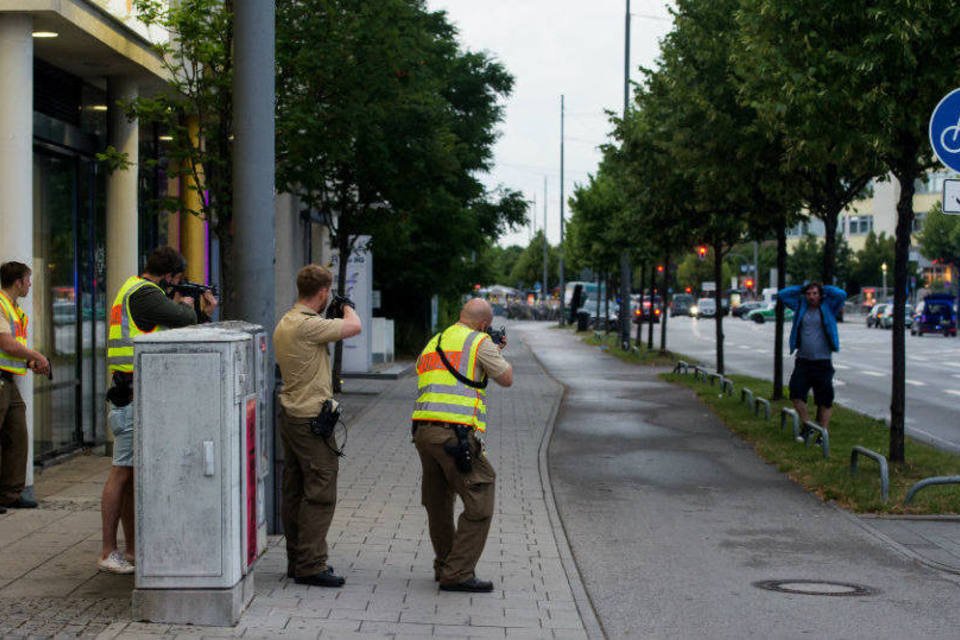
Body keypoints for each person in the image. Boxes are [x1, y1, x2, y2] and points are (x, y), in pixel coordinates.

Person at [98, 246, 217, 574]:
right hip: (131, 395)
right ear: (169, 276)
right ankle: (109, 550)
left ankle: (132, 550)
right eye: (176, 281)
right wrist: (196, 308)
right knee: (121, 473)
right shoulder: (146, 294)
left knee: (130, 475)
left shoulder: (133, 288)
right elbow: (183, 320)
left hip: (133, 393)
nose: (174, 287)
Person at [411, 298, 513, 593]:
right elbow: (506, 377)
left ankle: (445, 564)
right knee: (481, 496)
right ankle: (457, 572)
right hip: (454, 436)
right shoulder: (480, 341)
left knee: (438, 501)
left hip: (423, 432)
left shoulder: (436, 340)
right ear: (483, 325)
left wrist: (489, 355)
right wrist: (495, 352)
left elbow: (439, 374)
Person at [273, 264, 361, 587]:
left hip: (293, 416)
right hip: (311, 420)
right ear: (323, 293)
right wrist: (348, 306)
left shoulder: (287, 321)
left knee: (295, 489)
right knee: (320, 489)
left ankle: (297, 559)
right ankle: (311, 564)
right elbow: (355, 326)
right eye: (329, 293)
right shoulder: (308, 326)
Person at [0, 262, 51, 513]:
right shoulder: (0, 304)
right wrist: (37, 356)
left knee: (17, 434)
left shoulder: (14, 309)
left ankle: (10, 494)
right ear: (18, 282)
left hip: (8, 380)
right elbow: (7, 345)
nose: (30, 284)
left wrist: (30, 362)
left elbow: (12, 351)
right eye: (28, 280)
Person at [779, 281, 846, 431]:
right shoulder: (800, 306)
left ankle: (823, 433)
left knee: (825, 400)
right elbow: (783, 295)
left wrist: (824, 288)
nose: (811, 297)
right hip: (803, 360)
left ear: (820, 295)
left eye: (814, 293)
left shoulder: (828, 307)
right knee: (796, 393)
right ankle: (807, 425)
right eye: (808, 294)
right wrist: (801, 288)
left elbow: (842, 295)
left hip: (823, 361)